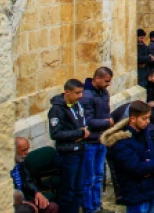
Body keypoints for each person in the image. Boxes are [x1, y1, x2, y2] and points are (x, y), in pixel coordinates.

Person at [105, 100, 154, 213]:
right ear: (133, 118)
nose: (147, 122)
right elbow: (136, 168)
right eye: (144, 118)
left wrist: (150, 165)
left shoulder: (146, 134)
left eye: (148, 118)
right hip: (135, 193)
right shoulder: (122, 141)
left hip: (150, 190)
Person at [48, 79, 88, 213]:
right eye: (77, 93)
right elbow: (56, 133)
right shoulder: (57, 110)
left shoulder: (76, 105)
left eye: (81, 92)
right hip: (68, 155)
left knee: (78, 189)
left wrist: (82, 133)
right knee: (67, 192)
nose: (80, 96)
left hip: (80, 151)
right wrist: (79, 133)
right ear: (67, 92)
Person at [80, 67, 114, 213]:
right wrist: (108, 123)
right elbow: (88, 121)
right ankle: (89, 208)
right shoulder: (86, 96)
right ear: (97, 78)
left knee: (99, 176)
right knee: (89, 178)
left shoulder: (104, 93)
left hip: (101, 140)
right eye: (106, 81)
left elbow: (105, 113)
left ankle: (97, 204)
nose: (108, 84)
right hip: (90, 142)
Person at [13, 137, 60, 213]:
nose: (27, 153)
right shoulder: (4, 170)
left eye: (27, 149)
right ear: (14, 150)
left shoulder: (20, 162)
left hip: (25, 197)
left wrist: (37, 192)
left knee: (52, 207)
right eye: (24, 150)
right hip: (15, 202)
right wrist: (22, 202)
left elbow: (27, 180)